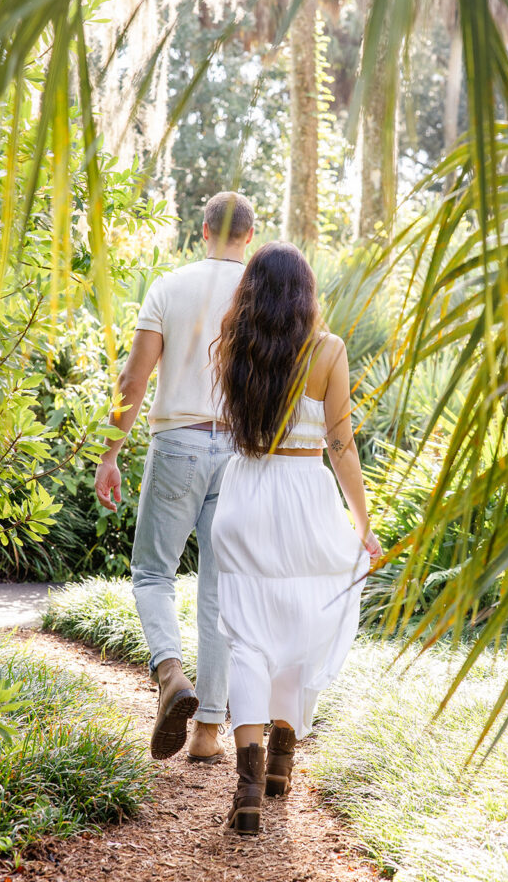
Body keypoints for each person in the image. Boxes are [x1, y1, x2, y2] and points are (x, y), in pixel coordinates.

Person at [210, 241, 382, 835]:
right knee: (303, 623)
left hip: (246, 495)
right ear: (306, 291)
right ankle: (281, 761)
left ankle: (251, 786)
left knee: (249, 638)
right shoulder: (329, 350)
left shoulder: (236, 346)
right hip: (305, 494)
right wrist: (363, 523)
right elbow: (340, 446)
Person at [95, 192, 254, 763]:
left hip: (177, 443)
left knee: (151, 572)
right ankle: (209, 731)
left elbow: (133, 382)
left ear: (203, 230)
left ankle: (169, 674)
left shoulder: (169, 285)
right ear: (249, 238)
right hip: (241, 449)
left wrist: (109, 454)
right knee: (218, 588)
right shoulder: (259, 293)